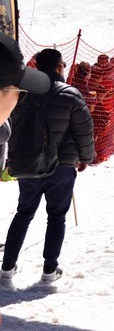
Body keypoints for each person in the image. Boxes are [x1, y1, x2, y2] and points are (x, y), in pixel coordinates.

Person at [1, 47, 94, 283]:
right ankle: (50, 269)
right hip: (61, 166)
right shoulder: (71, 94)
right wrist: (85, 157)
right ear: (59, 67)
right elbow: (84, 130)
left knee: (23, 213)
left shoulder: (21, 93)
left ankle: (7, 266)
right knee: (56, 217)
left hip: (28, 164)